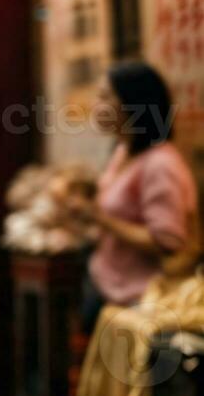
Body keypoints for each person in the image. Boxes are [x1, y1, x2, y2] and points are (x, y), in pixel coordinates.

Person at [66, 61, 199, 334]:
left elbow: (168, 241)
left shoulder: (161, 164)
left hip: (140, 303)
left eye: (105, 96)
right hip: (107, 286)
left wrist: (99, 218)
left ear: (132, 104)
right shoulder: (122, 151)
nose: (96, 103)